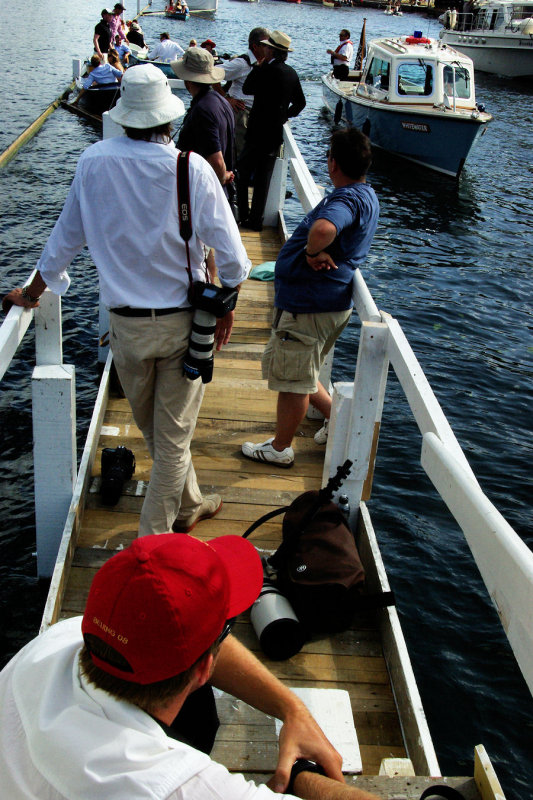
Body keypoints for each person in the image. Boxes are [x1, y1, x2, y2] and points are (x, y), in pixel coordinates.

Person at [2, 65, 250, 537]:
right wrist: (227, 305)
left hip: (126, 331)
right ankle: (149, 546)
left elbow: (62, 244)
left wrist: (31, 294)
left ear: (124, 116)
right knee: (170, 439)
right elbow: (236, 262)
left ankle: (191, 503)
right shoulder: (190, 166)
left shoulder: (92, 162)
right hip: (183, 327)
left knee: (162, 434)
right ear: (168, 120)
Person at [0, 532, 381, 800]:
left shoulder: (58, 642)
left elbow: (198, 646)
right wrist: (300, 778)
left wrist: (290, 708)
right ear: (204, 670)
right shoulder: (169, 787)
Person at [242, 128, 379, 466]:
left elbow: (323, 230)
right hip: (323, 306)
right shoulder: (367, 194)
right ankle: (337, 419)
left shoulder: (346, 199)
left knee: (293, 383)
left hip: (310, 308)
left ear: (333, 163)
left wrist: (308, 252)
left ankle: (280, 449)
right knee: (302, 370)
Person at [237, 30, 306, 232]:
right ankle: (256, 221)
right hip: (274, 134)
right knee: (263, 179)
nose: (263, 49)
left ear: (271, 50)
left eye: (266, 46)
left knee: (242, 171)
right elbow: (300, 103)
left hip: (257, 131)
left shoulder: (265, 71)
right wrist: (284, 115)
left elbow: (247, 89)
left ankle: (243, 215)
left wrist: (258, 67)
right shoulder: (291, 73)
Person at [173, 47, 236, 197]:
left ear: (188, 81)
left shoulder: (203, 110)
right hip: (218, 194)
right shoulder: (221, 101)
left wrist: (223, 177)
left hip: (204, 195)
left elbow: (217, 161)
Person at [219, 26, 270, 158]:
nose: (269, 48)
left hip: (254, 115)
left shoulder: (263, 63)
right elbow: (213, 73)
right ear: (255, 46)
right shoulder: (241, 64)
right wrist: (226, 98)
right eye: (266, 45)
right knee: (239, 153)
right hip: (241, 114)